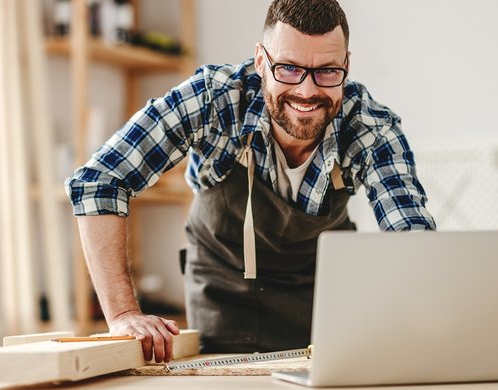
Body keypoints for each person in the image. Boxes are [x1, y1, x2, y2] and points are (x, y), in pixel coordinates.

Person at [65, 0, 436, 363]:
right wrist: (123, 315)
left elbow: (410, 236)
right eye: (288, 68)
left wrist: (423, 327)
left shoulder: (370, 127)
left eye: (326, 71)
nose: (307, 91)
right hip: (222, 294)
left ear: (346, 66)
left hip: (323, 301)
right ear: (261, 60)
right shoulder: (214, 98)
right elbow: (100, 181)